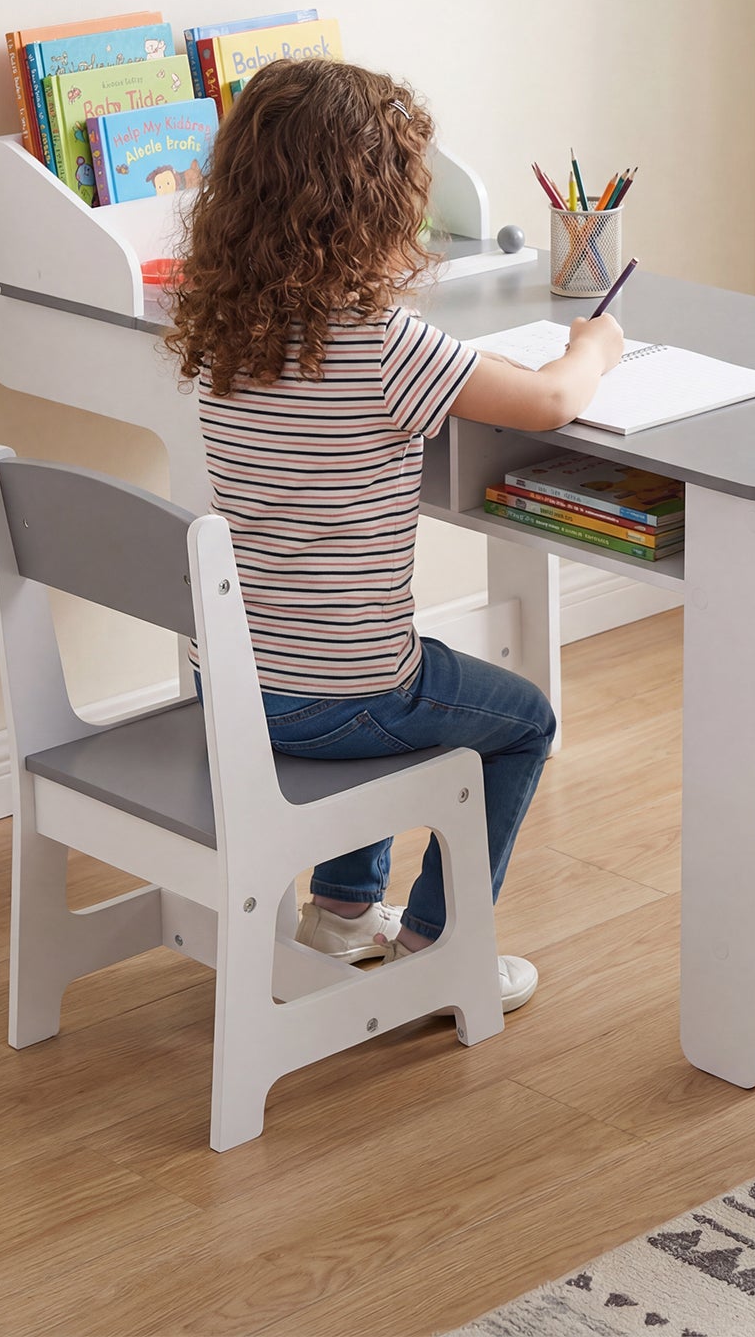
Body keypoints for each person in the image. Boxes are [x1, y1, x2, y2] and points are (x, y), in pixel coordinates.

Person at [164, 57, 623, 1010]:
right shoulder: (379, 342)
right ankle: (439, 947)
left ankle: (342, 912)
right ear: (370, 207)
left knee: (375, 663)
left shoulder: (223, 331)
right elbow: (547, 403)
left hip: (237, 682)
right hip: (344, 693)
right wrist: (595, 347)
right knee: (521, 721)